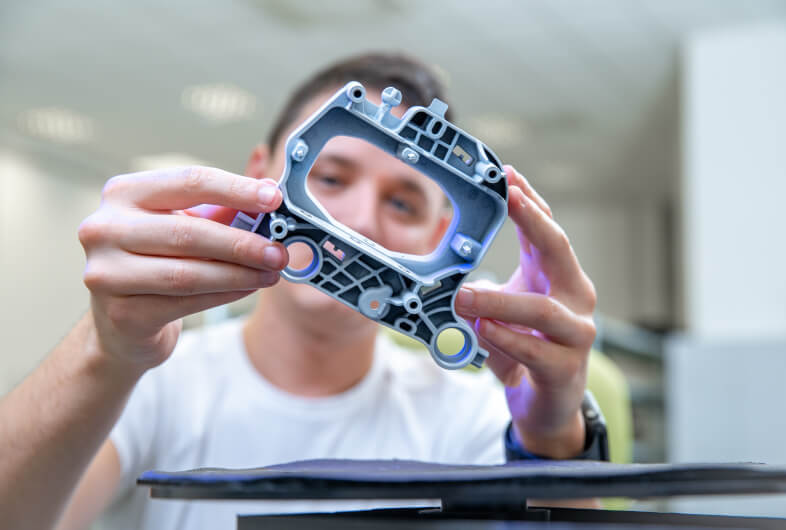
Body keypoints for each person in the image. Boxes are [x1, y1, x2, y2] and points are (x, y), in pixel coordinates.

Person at [0, 53, 598, 530]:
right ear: (260, 174)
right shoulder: (156, 383)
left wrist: (549, 440)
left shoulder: (470, 416)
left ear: (442, 236)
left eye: (403, 201)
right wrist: (104, 352)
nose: (360, 219)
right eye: (331, 177)